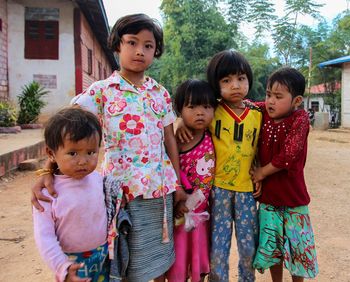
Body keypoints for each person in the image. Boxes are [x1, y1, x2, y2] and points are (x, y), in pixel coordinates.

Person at [32, 14, 185, 282]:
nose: (140, 51)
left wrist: (179, 185)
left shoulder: (160, 93)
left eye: (148, 46)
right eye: (132, 42)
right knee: (126, 258)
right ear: (117, 45)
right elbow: (65, 129)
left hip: (159, 189)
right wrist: (48, 171)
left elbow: (169, 139)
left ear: (155, 51)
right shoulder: (101, 91)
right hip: (122, 192)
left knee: (158, 258)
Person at [177, 50, 263, 281]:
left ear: (249, 80)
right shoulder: (212, 111)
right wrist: (179, 124)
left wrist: (261, 174)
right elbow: (190, 115)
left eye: (241, 78)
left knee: (248, 248)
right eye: (226, 80)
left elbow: (263, 147)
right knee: (218, 247)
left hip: (247, 191)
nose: (235, 85)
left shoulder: (258, 114)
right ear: (216, 84)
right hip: (219, 191)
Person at [251, 67, 319, 281]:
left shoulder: (300, 119)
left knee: (297, 251)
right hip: (269, 200)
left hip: (293, 200)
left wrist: (262, 172)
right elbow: (246, 105)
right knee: (274, 250)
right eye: (268, 94)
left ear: (297, 100)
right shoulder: (263, 113)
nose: (270, 101)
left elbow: (288, 155)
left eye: (278, 97)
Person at [33, 107, 112, 282]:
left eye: (91, 152)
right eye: (73, 153)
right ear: (51, 153)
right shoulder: (47, 194)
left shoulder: (99, 180)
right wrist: (63, 268)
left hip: (103, 256)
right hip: (71, 264)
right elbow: (44, 237)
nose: (83, 161)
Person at [166, 80, 217, 282]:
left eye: (206, 107)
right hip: (181, 214)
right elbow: (169, 171)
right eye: (191, 106)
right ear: (179, 110)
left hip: (203, 215)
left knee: (199, 259)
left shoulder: (213, 135)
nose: (200, 113)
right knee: (179, 262)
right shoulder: (177, 141)